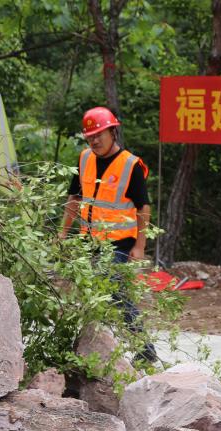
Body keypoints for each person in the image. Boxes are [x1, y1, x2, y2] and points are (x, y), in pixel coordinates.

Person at [60, 106, 157, 363]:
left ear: (113, 132)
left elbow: (143, 207)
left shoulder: (130, 165)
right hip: (89, 239)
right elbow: (74, 197)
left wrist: (140, 245)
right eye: (90, 136)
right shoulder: (84, 159)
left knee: (113, 287)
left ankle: (145, 350)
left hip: (119, 242)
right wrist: (62, 233)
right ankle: (89, 349)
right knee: (87, 293)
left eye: (100, 134)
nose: (95, 140)